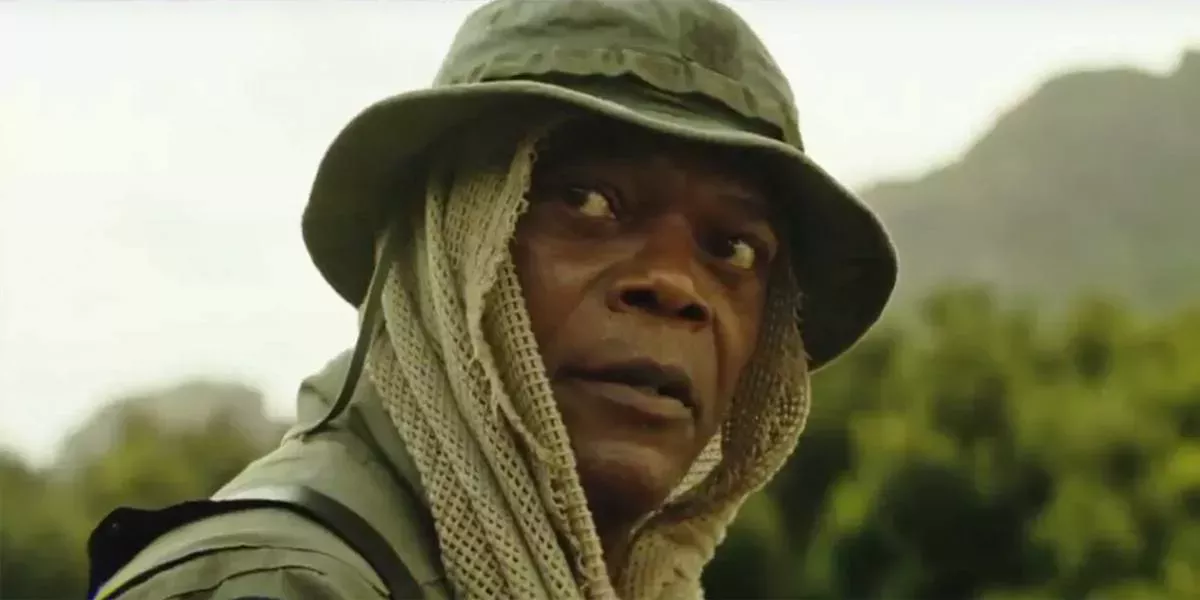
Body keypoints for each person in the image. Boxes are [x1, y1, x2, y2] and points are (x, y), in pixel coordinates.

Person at [86, 0, 897, 598]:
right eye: (588, 202)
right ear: (444, 249)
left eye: (735, 249)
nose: (676, 286)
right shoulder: (275, 588)